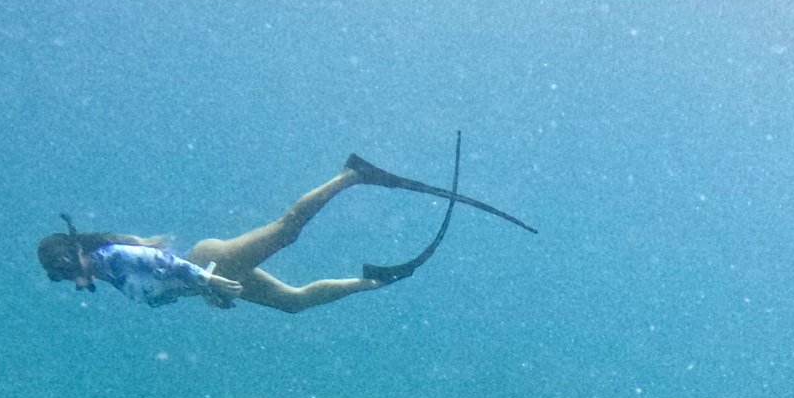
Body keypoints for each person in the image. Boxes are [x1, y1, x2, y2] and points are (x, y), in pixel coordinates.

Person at [37, 136, 534, 314]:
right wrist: (206, 292)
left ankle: (352, 174)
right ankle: (376, 279)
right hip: (206, 274)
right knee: (293, 304)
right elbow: (166, 280)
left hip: (212, 262)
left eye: (65, 276)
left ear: (68, 259)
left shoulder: (108, 259)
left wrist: (207, 280)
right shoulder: (103, 268)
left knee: (287, 229)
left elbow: (158, 262)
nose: (74, 284)